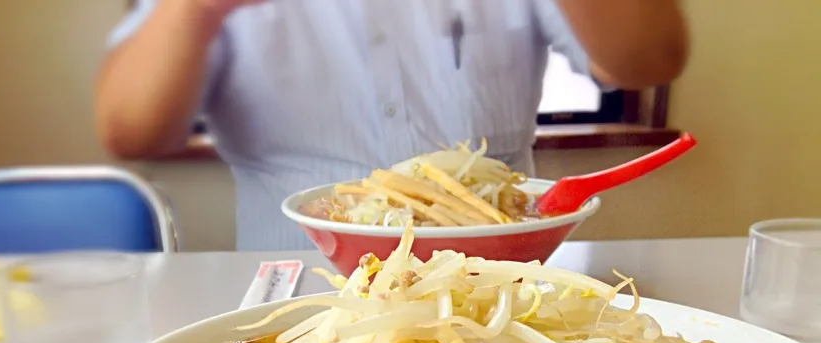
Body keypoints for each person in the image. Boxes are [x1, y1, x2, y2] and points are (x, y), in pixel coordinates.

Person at [97, 1, 688, 251]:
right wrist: (194, 9)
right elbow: (133, 134)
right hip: (297, 287)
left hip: (506, 283)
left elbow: (651, 62)